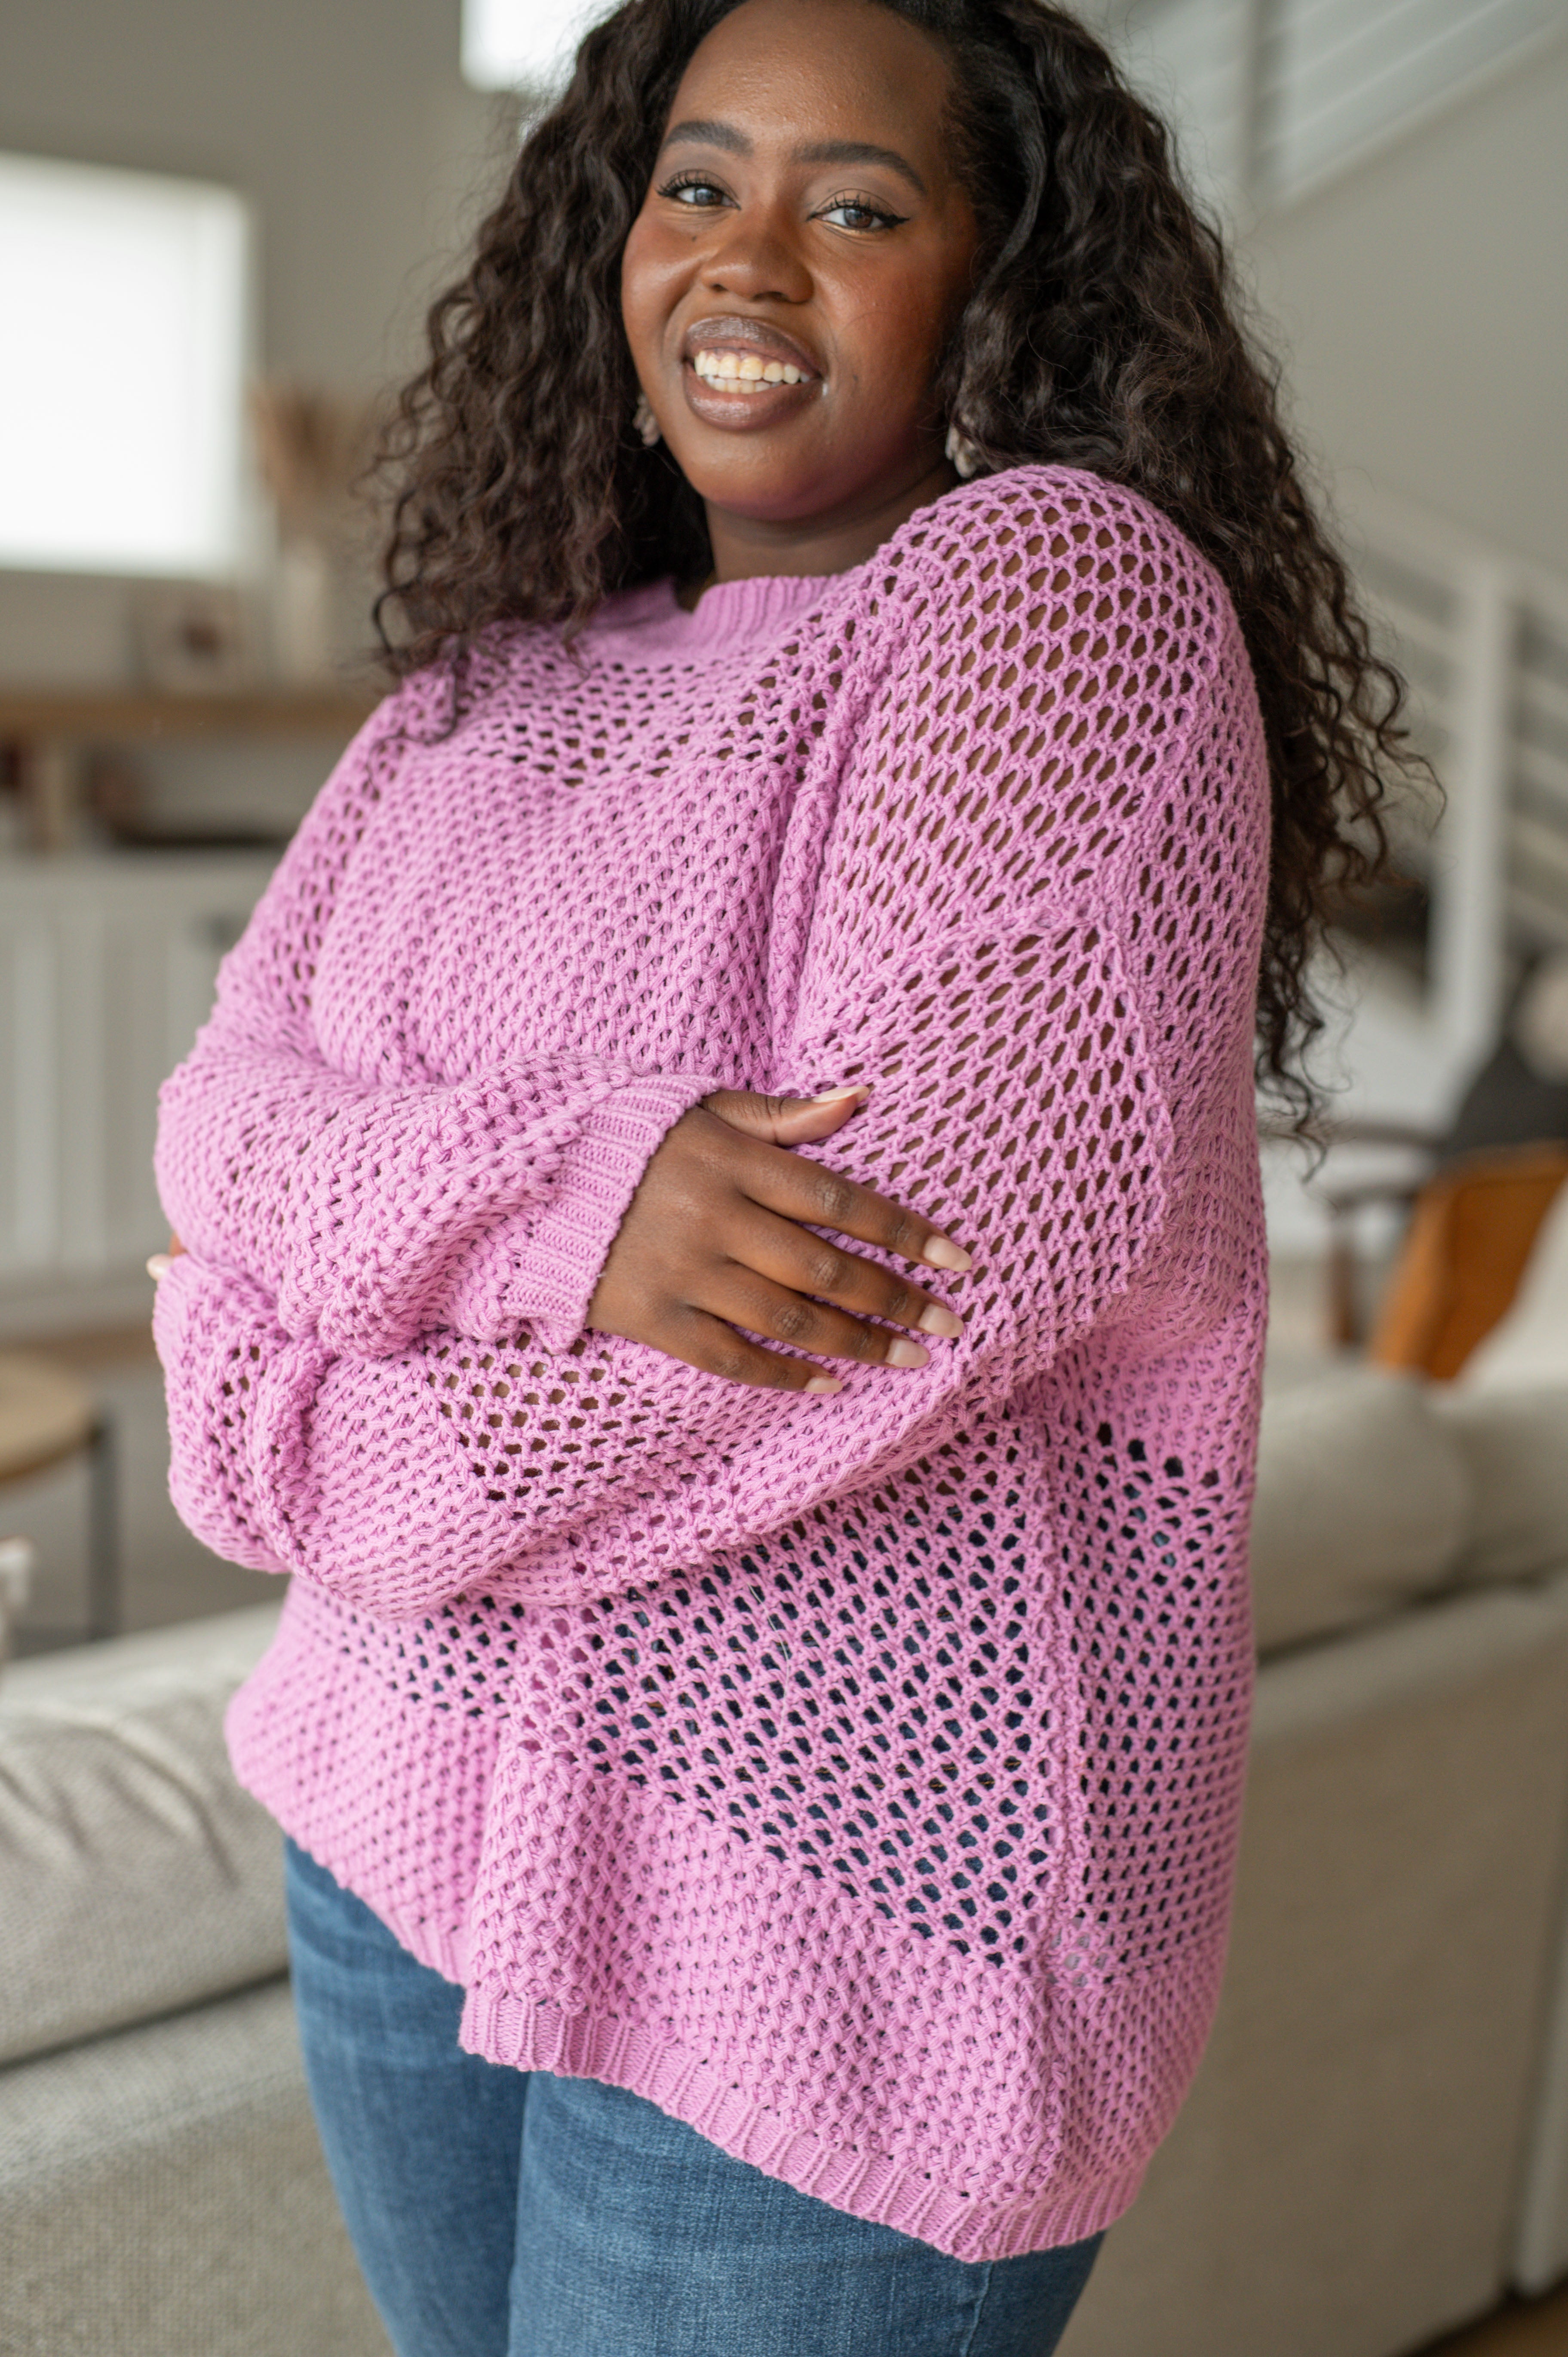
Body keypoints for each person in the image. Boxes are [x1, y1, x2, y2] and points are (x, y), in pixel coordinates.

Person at [150, 0, 1413, 2348]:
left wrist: (321, 1444)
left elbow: (878, 1277)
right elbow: (225, 1123)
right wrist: (575, 1206)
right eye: (697, 185)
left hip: (822, 1913)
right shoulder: (488, 686)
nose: (750, 258)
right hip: (390, 1800)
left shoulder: (1057, 601)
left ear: (996, 282)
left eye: (857, 206)